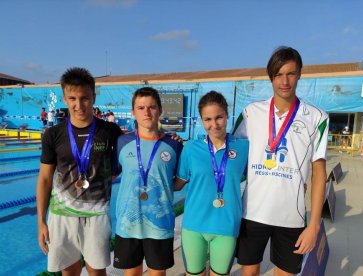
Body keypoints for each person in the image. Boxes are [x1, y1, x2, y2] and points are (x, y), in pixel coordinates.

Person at [232, 46, 329, 276]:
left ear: (299, 74)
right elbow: (229, 154)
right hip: (252, 212)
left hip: (291, 216)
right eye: (278, 74)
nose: (284, 81)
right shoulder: (250, 113)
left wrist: (313, 225)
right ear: (271, 77)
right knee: (249, 273)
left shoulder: (317, 118)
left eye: (291, 73)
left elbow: (319, 172)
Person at [36, 67, 123, 275]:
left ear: (93, 96)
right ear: (64, 99)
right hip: (61, 215)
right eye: (72, 98)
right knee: (69, 272)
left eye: (84, 98)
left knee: (97, 271)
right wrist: (41, 221)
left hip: (97, 215)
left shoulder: (109, 131)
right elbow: (45, 179)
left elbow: (122, 165)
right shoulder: (53, 134)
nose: (78, 105)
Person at [174, 91, 249, 275]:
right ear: (201, 120)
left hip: (226, 225)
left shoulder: (243, 147)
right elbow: (177, 184)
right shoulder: (191, 148)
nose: (214, 124)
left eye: (219, 118)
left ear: (227, 116)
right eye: (207, 119)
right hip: (194, 225)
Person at [113, 87, 183, 275]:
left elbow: (181, 180)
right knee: (131, 273)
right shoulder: (122, 142)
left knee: (158, 273)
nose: (146, 112)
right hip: (128, 224)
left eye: (152, 107)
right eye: (141, 107)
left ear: (160, 110)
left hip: (160, 225)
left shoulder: (174, 144)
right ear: (133, 112)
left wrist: (162, 189)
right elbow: (110, 175)